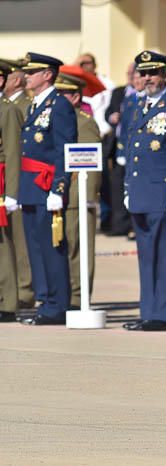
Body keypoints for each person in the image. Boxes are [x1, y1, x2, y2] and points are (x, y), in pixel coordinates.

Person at [121, 51, 166, 331]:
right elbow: (131, 150)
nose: (147, 78)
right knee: (146, 256)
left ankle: (163, 314)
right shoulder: (139, 105)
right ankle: (148, 311)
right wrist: (128, 187)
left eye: (153, 72)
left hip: (164, 195)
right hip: (141, 193)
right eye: (143, 73)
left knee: (165, 257)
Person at [18, 53, 77, 325]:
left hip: (47, 186)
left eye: (32, 72)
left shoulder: (59, 105)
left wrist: (59, 187)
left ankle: (57, 304)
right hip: (31, 186)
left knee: (51, 248)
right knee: (36, 248)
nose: (26, 76)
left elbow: (65, 149)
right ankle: (45, 301)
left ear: (48, 74)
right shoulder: (35, 105)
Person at [55, 73, 101, 309]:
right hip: (57, 195)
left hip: (77, 196)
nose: (57, 98)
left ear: (74, 97)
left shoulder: (84, 122)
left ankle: (78, 298)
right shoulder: (57, 118)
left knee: (78, 249)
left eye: (62, 94)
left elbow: (90, 163)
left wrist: (89, 199)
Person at [0, 57, 35, 310]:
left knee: (6, 244)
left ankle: (10, 302)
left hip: (2, 182)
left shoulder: (8, 110)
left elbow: (13, 152)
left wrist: (12, 193)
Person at [111, 64, 145, 238]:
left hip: (142, 155)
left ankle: (135, 226)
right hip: (127, 152)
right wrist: (121, 152)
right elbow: (125, 130)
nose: (137, 81)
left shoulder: (146, 99)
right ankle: (129, 225)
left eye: (140, 78)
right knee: (126, 191)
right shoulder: (130, 100)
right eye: (135, 78)